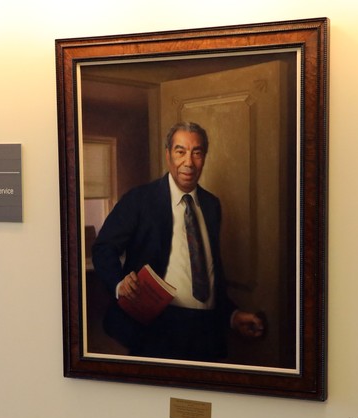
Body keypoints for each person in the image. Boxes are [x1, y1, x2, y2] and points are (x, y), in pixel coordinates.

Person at [91, 121, 264, 360]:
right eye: (180, 151)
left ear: (204, 157)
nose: (189, 162)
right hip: (158, 328)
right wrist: (120, 284)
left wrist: (231, 316)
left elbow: (209, 273)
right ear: (168, 155)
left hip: (209, 332)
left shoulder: (212, 205)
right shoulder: (140, 200)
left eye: (197, 152)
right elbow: (103, 248)